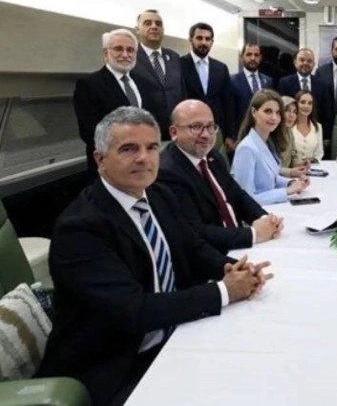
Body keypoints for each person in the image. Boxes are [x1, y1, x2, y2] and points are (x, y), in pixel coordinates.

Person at [36, 106, 273, 406]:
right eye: (128, 149)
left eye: (151, 148)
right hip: (118, 363)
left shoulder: (159, 195)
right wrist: (224, 291)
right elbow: (134, 311)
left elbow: (192, 247)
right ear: (100, 159)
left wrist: (234, 268)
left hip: (176, 333)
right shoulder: (80, 228)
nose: (143, 158)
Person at [157, 99, 283, 253]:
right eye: (196, 127)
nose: (206, 135)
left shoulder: (213, 156)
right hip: (214, 256)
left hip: (239, 245)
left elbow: (238, 195)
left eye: (210, 127)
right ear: (174, 133)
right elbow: (195, 231)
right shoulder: (167, 172)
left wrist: (265, 219)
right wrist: (253, 234)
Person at [74, 28, 150, 178]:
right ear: (105, 53)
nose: (125, 54)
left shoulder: (142, 83)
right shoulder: (89, 84)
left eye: (130, 50)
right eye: (118, 49)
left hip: (141, 162)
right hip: (110, 166)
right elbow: (89, 132)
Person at [231, 89, 309, 205]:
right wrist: (287, 191)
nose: (274, 117)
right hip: (258, 214)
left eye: (277, 112)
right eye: (268, 111)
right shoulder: (246, 149)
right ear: (254, 112)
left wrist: (292, 183)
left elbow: (272, 179)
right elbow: (246, 199)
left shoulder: (268, 143)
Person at [131, 9, 186, 139]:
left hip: (176, 131)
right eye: (147, 23)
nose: (154, 26)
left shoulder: (174, 57)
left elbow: (183, 92)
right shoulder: (131, 57)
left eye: (158, 24)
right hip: (145, 132)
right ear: (137, 29)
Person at [179, 23, 234, 148]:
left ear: (212, 42)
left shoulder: (221, 68)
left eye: (207, 39)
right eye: (199, 38)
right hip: (190, 129)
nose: (204, 42)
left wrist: (230, 135)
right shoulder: (179, 65)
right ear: (190, 39)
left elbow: (228, 103)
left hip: (216, 130)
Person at [278, 48, 334, 146]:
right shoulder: (284, 83)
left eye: (309, 61)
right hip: (290, 132)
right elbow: (282, 110)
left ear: (314, 64)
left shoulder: (322, 85)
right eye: (302, 60)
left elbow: (327, 112)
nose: (305, 63)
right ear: (295, 62)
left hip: (315, 133)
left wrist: (326, 136)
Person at [230, 44, 274, 152]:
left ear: (260, 57)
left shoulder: (268, 81)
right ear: (242, 57)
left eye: (256, 55)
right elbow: (229, 110)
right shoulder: (232, 81)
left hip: (264, 135)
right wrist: (230, 135)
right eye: (249, 54)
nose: (253, 58)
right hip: (240, 135)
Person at [279, 96, 309, 178]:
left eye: (295, 112)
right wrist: (291, 172)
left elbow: (293, 156)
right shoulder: (270, 135)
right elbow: (270, 168)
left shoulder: (289, 132)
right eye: (287, 111)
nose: (291, 115)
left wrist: (301, 164)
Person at [292, 90, 325, 162]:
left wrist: (312, 162)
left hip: (312, 166)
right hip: (292, 167)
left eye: (310, 103)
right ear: (296, 104)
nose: (306, 106)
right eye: (302, 102)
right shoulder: (289, 126)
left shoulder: (318, 126)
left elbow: (319, 153)